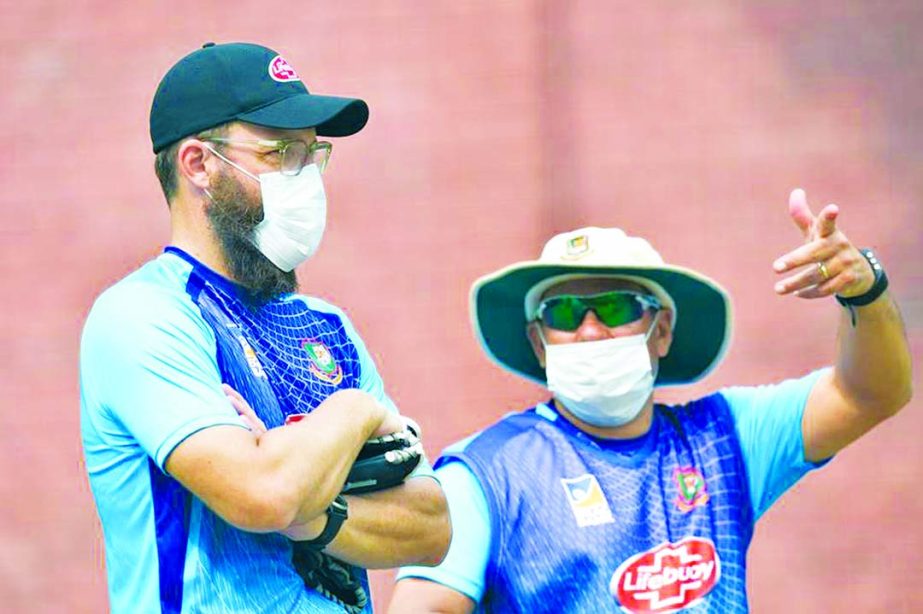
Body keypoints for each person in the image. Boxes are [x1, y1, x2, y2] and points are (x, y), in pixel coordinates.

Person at [390, 192, 912, 613]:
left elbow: (869, 393)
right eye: (565, 313)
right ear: (537, 342)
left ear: (660, 330)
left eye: (614, 306)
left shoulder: (724, 440)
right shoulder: (486, 472)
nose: (590, 330)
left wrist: (864, 292)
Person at [79, 42, 449, 613]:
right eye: (281, 154)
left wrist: (317, 512)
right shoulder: (143, 316)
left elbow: (431, 528)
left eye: (312, 154)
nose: (305, 179)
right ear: (199, 165)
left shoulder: (327, 326)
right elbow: (264, 495)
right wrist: (353, 413)